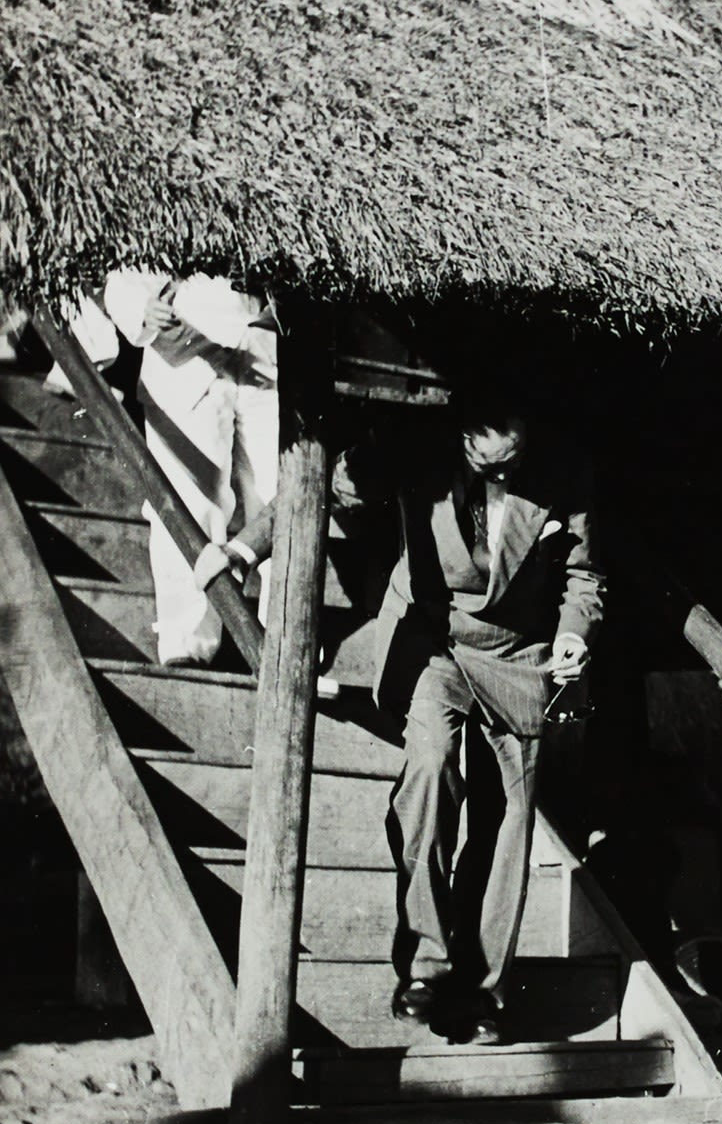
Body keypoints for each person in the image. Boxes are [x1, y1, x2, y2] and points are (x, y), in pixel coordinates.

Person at [209, 392, 604, 1044]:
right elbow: (319, 485)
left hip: (517, 657)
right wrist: (244, 550)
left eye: (509, 450)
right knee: (429, 769)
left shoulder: (568, 472)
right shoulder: (413, 446)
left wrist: (573, 635)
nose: (493, 461)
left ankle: (483, 991)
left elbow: (585, 576)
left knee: (509, 816)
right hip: (434, 641)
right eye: (482, 447)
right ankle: (425, 963)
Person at [97, 270, 280, 666]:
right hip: (185, 350)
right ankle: (188, 644)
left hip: (265, 351)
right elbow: (124, 271)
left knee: (274, 495)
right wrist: (141, 309)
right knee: (190, 500)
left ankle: (283, 638)